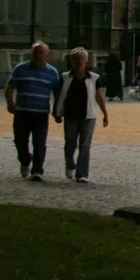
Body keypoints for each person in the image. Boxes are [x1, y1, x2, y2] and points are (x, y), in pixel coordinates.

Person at [4, 42, 59, 181]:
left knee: (39, 142)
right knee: (19, 141)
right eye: (35, 52)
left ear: (46, 54)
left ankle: (37, 170)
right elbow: (10, 87)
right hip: (22, 112)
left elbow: (58, 93)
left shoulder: (52, 72)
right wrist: (10, 103)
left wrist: (58, 110)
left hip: (40, 114)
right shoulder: (21, 68)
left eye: (41, 52)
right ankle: (25, 160)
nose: (37, 55)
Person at [54, 47, 108, 183]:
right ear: (73, 60)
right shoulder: (65, 77)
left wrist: (105, 114)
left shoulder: (94, 78)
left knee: (85, 145)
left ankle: (82, 173)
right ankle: (70, 164)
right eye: (77, 58)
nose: (80, 61)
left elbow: (99, 97)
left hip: (88, 116)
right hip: (71, 115)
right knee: (70, 143)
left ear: (86, 60)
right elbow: (59, 96)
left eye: (82, 58)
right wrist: (57, 112)